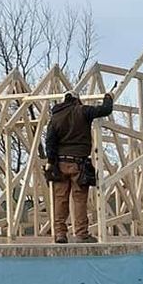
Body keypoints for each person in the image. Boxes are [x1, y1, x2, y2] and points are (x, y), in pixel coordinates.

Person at [43, 90, 115, 244]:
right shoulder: (83, 111)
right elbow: (105, 110)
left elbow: (49, 141)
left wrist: (50, 161)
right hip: (79, 164)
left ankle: (60, 234)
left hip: (60, 164)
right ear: (77, 100)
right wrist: (108, 97)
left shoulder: (55, 117)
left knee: (60, 200)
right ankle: (82, 234)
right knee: (79, 199)